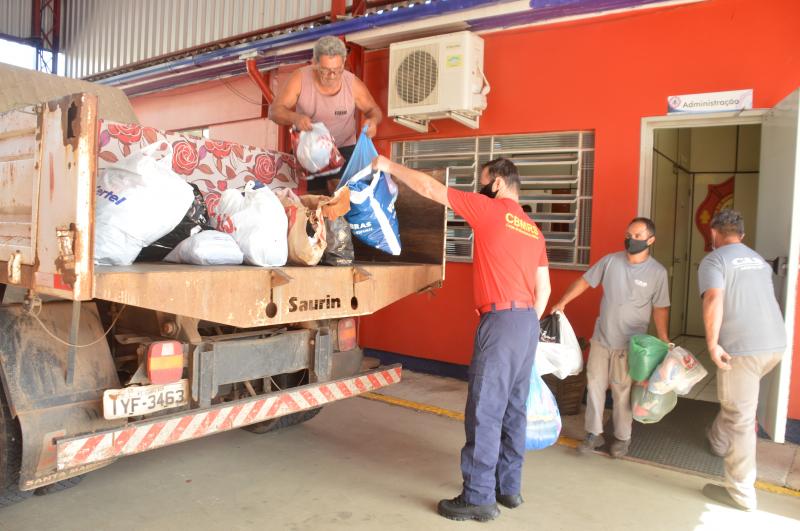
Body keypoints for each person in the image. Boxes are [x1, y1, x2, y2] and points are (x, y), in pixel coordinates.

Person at [372, 155, 551, 522]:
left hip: (501, 322)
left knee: (485, 409)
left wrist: (387, 166)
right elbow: (543, 288)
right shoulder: (533, 229)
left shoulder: (489, 209)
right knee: (514, 409)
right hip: (527, 323)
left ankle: (478, 498)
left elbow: (430, 189)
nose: (480, 186)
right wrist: (523, 322)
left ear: (497, 182)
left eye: (483, 180)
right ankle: (508, 488)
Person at [551, 217, 669, 458]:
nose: (631, 240)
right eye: (628, 235)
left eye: (637, 236)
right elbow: (584, 282)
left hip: (630, 345)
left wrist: (664, 339)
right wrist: (562, 302)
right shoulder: (610, 262)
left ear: (651, 240)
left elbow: (660, 308)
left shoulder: (657, 272)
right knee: (594, 385)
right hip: (602, 338)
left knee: (622, 390)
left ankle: (622, 438)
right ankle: (594, 434)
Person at [698, 209, 785, 511]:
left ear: (713, 234)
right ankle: (718, 441)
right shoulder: (758, 260)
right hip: (774, 346)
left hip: (743, 350)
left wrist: (712, 344)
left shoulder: (715, 259)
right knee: (739, 401)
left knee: (740, 417)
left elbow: (713, 298)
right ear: (743, 235)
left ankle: (740, 494)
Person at [269, 36, 382, 195]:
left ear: (343, 63)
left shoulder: (352, 84)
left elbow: (374, 110)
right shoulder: (299, 79)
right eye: (325, 70)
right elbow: (274, 111)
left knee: (342, 195)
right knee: (313, 199)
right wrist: (294, 118)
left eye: (337, 70)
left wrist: (374, 121)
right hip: (311, 150)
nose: (332, 75)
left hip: (344, 148)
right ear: (314, 63)